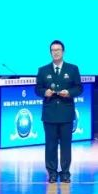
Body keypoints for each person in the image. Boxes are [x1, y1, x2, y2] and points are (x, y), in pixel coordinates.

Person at [36, 40, 82, 183]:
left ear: (63, 52)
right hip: (49, 113)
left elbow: (79, 88)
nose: (55, 52)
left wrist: (69, 93)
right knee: (50, 145)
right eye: (53, 50)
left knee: (66, 145)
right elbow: (37, 89)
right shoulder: (43, 70)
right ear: (50, 52)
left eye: (58, 50)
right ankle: (52, 173)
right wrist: (45, 92)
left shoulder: (72, 69)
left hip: (66, 112)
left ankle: (65, 173)